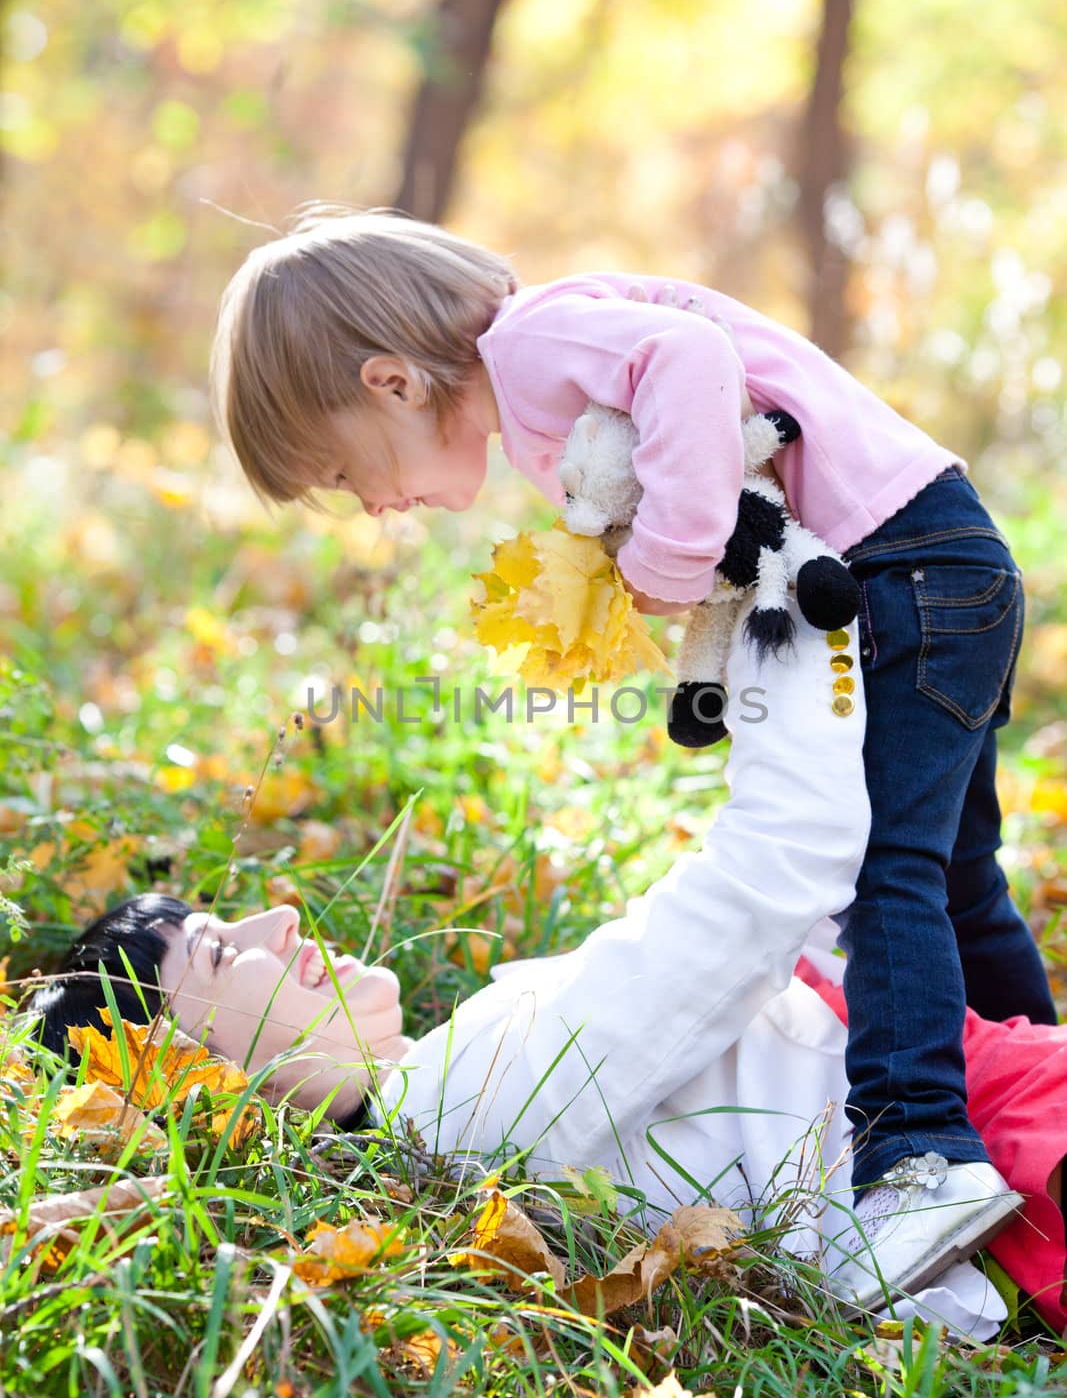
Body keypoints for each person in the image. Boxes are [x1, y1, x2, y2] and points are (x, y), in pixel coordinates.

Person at [207, 206, 1057, 1297]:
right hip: (939, 559)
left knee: (884, 874)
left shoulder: (529, 347)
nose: (373, 506)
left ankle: (916, 1158)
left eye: (342, 475)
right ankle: (1028, 1069)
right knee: (950, 874)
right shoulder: (542, 396)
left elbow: (691, 364)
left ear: (391, 383)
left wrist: (667, 553)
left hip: (901, 570)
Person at [29, 603, 1065, 1334]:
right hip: (1007, 1155)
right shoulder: (463, 1099)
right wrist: (783, 615)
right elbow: (775, 866)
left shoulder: (458, 1083)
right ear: (201, 1076)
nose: (279, 915)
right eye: (219, 948)